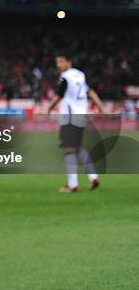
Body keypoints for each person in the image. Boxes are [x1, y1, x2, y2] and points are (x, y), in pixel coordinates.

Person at [47, 54, 105, 193]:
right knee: (77, 147)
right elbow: (89, 91)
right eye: (57, 62)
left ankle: (72, 184)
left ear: (69, 62)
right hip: (81, 115)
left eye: (61, 62)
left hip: (70, 116)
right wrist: (101, 107)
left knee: (69, 149)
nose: (59, 65)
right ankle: (93, 177)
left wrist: (48, 108)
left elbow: (59, 95)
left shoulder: (65, 77)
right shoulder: (80, 75)